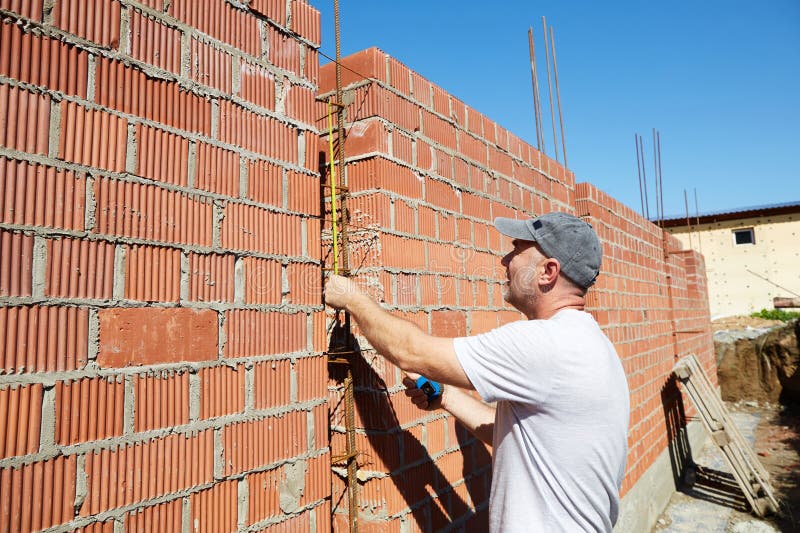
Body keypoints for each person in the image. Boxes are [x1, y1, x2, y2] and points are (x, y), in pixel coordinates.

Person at [324, 212, 630, 532]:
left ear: (548, 271)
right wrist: (446, 397)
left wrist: (352, 299)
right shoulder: (593, 345)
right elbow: (514, 437)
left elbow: (411, 351)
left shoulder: (545, 344)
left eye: (516, 250)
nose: (504, 260)